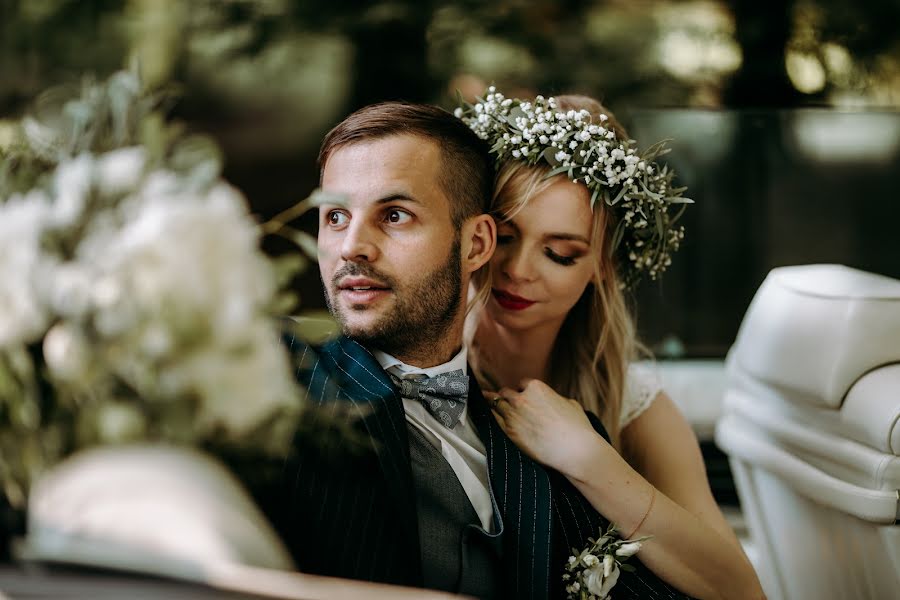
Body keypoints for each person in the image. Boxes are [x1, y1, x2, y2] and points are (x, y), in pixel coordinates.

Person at [277, 100, 692, 599]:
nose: (351, 247)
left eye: (394, 215)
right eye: (335, 216)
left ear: (476, 244)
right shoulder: (272, 365)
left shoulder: (560, 452)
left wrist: (590, 458)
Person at [459, 89, 766, 599]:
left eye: (559, 253)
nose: (517, 271)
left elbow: (741, 591)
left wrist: (589, 458)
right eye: (506, 237)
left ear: (602, 266)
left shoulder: (636, 408)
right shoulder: (421, 377)